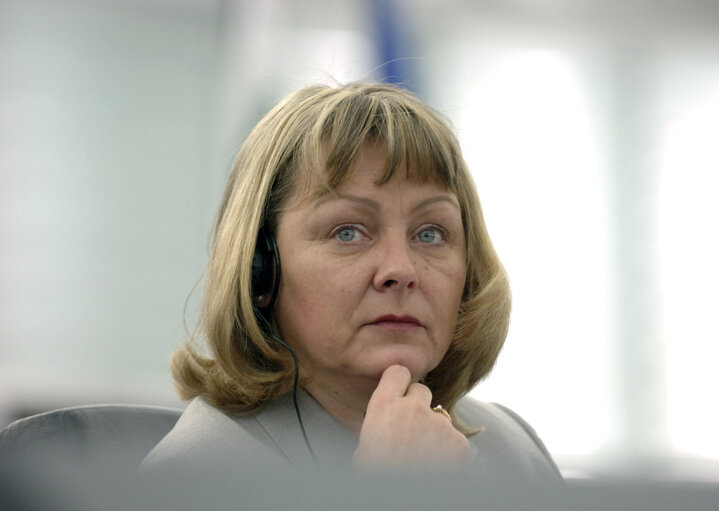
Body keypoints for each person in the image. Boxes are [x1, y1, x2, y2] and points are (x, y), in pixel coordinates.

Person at [143, 82, 561, 482]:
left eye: (430, 233)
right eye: (348, 232)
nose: (401, 270)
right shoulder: (191, 477)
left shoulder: (514, 453)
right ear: (260, 266)